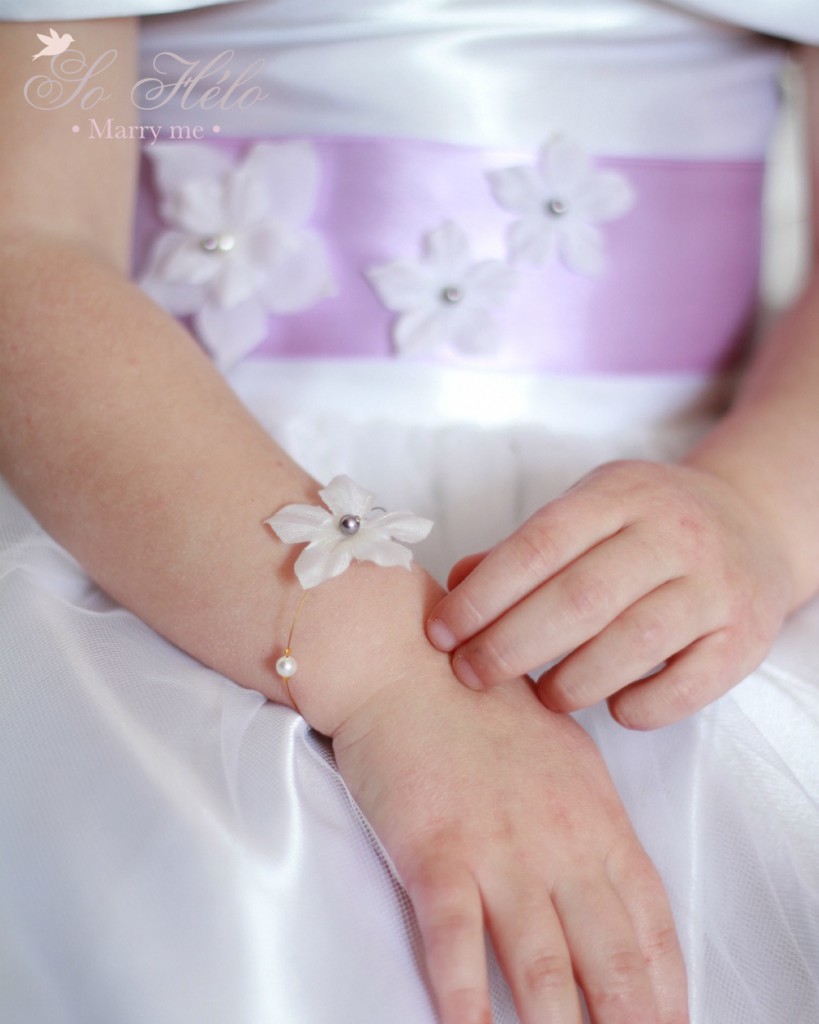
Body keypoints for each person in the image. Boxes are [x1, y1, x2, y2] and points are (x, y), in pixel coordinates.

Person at [0, 2, 816, 1023]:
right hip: (201, 510)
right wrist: (382, 670)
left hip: (700, 517)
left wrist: (759, 514)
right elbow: (26, 245)